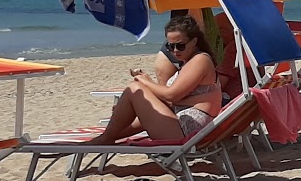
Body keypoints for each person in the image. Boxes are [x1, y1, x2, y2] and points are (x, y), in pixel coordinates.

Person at [89, 16, 222, 145]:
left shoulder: (200, 60)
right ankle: (109, 136)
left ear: (194, 41)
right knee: (144, 96)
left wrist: (145, 80)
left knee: (134, 88)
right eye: (170, 46)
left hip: (186, 134)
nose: (175, 51)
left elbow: (171, 95)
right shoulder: (192, 61)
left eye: (180, 46)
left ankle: (106, 137)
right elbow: (172, 100)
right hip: (186, 129)